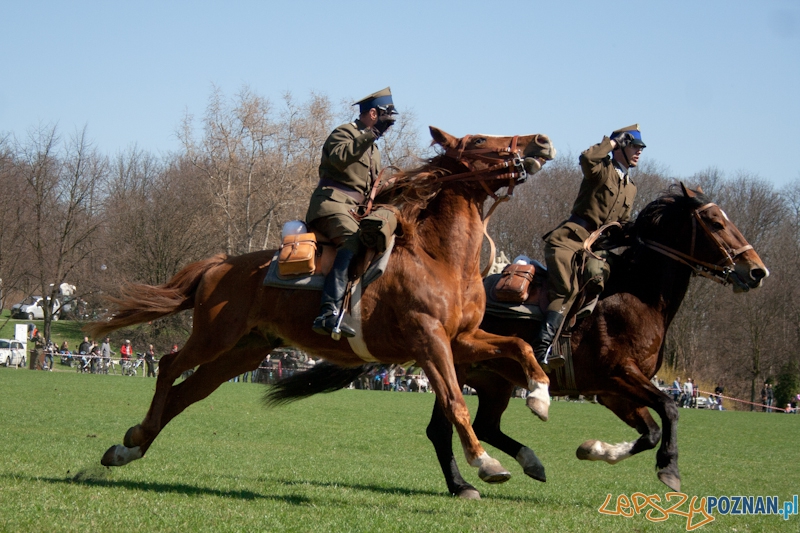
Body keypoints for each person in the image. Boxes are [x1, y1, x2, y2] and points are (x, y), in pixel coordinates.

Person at [532, 125, 645, 370]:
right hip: (569, 239)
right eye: (634, 146)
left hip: (597, 248)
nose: (639, 152)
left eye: (640, 148)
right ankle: (541, 350)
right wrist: (613, 143)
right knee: (566, 289)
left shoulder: (631, 186)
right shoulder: (601, 169)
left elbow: (621, 223)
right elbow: (587, 157)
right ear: (622, 148)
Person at [305, 87, 397, 338]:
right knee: (352, 238)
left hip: (356, 210)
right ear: (373, 114)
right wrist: (372, 133)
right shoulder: (345, 132)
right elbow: (339, 158)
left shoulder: (374, 150)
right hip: (331, 204)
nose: (387, 127)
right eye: (385, 120)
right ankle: (327, 312)